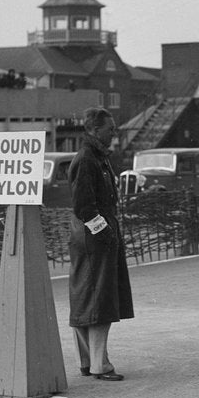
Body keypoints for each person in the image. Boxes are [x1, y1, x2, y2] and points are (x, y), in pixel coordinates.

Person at [67, 107, 134, 381]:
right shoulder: (89, 159)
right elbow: (85, 206)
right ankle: (99, 365)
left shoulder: (94, 157)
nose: (114, 133)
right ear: (95, 130)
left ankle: (88, 361)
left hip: (89, 238)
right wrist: (106, 234)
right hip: (94, 241)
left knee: (85, 298)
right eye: (110, 129)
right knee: (99, 300)